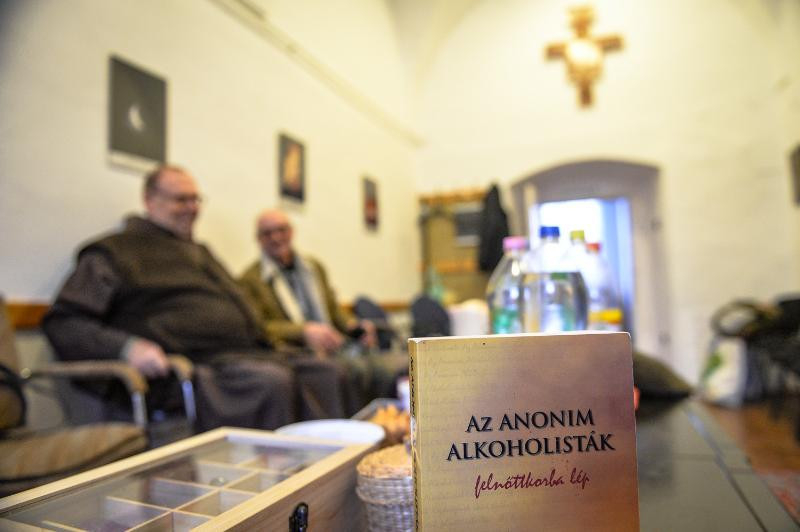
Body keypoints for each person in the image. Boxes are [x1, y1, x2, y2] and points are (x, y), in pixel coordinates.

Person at [42, 166, 346, 431]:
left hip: (248, 355)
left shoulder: (200, 253)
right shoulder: (115, 252)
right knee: (268, 382)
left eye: (195, 199)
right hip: (187, 369)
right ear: (150, 200)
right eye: (180, 199)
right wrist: (127, 347)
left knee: (327, 372)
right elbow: (64, 322)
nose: (191, 208)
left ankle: (336, 470)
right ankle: (283, 478)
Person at [238, 209, 408, 412]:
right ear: (258, 239)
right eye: (267, 233)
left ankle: (388, 420)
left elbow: (333, 310)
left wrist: (353, 325)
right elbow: (260, 327)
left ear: (291, 232)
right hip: (300, 352)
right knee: (351, 371)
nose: (276, 237)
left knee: (393, 368)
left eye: (281, 230)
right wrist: (303, 331)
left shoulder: (313, 268)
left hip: (335, 344)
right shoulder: (250, 280)